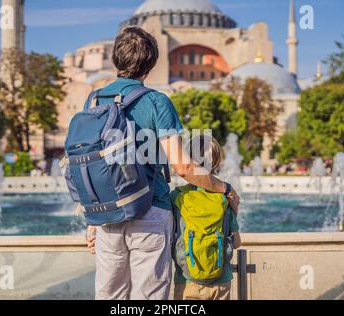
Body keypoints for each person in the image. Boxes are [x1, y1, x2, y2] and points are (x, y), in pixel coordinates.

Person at [86, 26, 240, 300]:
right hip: (150, 209)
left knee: (110, 295)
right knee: (148, 296)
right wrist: (223, 187)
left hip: (107, 213)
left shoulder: (94, 99)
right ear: (151, 64)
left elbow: (89, 163)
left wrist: (91, 218)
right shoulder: (157, 102)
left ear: (115, 60)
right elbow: (183, 167)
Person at [171, 135, 241, 300]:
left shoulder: (176, 197)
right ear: (217, 163)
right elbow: (236, 242)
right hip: (221, 281)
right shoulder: (224, 198)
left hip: (187, 281)